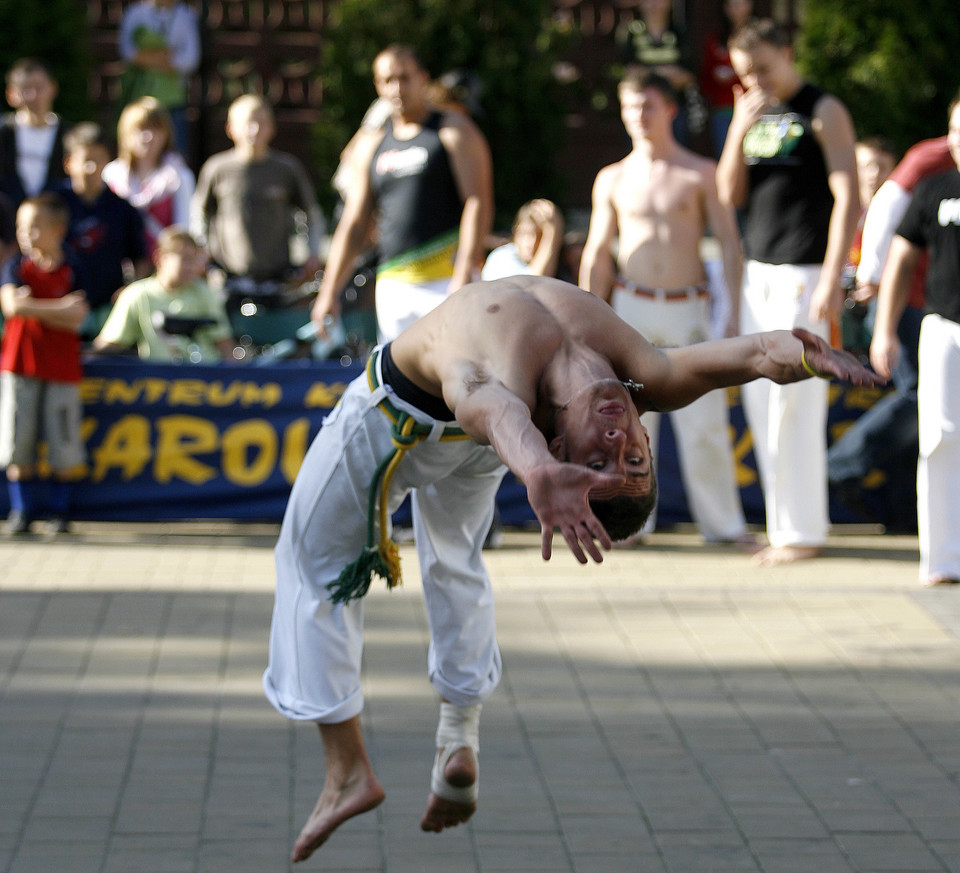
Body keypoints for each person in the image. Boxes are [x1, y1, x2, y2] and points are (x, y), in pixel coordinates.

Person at [263, 275, 881, 864]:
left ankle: (347, 772)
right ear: (646, 432)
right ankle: (459, 736)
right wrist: (799, 353)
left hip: (395, 419)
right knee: (455, 558)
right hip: (490, 448)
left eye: (598, 457)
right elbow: (745, 358)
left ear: (560, 447)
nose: (619, 441)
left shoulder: (504, 392)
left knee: (310, 565)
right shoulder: (645, 379)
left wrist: (536, 471)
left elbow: (494, 408)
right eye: (634, 457)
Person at [579, 70, 749, 545]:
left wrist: (732, 310)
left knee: (705, 424)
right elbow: (597, 249)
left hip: (687, 308)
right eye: (631, 106)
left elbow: (729, 245)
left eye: (647, 106)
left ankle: (724, 526)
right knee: (627, 427)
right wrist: (586, 313)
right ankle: (630, 526)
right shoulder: (611, 177)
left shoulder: (700, 172)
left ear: (670, 110)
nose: (638, 116)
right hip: (630, 308)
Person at [717, 19, 860, 566]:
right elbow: (730, 193)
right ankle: (782, 528)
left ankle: (802, 531)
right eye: (745, 73)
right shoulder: (752, 113)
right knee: (760, 400)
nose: (756, 81)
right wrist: (737, 129)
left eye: (763, 69)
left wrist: (830, 276)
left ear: (787, 52)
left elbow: (847, 196)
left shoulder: (824, 109)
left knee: (794, 404)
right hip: (759, 273)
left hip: (804, 273)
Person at [311, 44, 494, 342]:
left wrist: (463, 273)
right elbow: (355, 222)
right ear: (377, 85)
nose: (397, 88)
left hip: (446, 281)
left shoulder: (454, 131)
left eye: (405, 78)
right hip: (394, 285)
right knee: (399, 384)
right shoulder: (372, 144)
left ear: (423, 78)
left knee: (456, 379)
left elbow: (478, 202)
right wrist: (329, 291)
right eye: (387, 80)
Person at [870, 93, 960, 587]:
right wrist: (884, 330)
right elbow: (900, 260)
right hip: (942, 326)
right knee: (940, 437)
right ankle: (943, 558)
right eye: (956, 129)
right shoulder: (934, 188)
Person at [0, 192, 89, 535]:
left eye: (35, 227)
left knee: (63, 439)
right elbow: (12, 307)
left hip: (62, 368)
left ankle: (59, 513)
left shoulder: (73, 267)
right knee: (18, 439)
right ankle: (22, 513)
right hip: (20, 365)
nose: (26, 234)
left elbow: (78, 315)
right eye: (22, 227)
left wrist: (32, 306)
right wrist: (57, 309)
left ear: (57, 230)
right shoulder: (14, 266)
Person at [191, 94, 324, 287]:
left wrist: (312, 254)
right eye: (247, 123)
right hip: (227, 277)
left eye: (261, 122)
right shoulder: (217, 169)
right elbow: (199, 213)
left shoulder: (287, 169)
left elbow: (311, 214)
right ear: (230, 128)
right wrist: (201, 253)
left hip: (279, 277)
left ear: (272, 128)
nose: (254, 130)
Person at [55, 123, 150, 338]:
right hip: (60, 307)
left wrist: (131, 291)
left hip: (108, 309)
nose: (92, 167)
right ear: (68, 163)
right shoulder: (52, 203)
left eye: (98, 160)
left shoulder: (123, 209)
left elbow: (140, 258)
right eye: (86, 160)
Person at [92, 226, 234, 362]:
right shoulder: (137, 294)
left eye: (195, 260)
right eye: (185, 259)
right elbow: (111, 343)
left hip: (203, 379)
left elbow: (223, 343)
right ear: (160, 258)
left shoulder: (205, 292)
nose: (192, 267)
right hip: (156, 380)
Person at [103, 96, 195, 255]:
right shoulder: (111, 175)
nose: (148, 137)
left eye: (156, 129)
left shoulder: (179, 176)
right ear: (126, 133)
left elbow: (183, 229)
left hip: (160, 268)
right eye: (141, 129)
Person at [117, 0, 201, 156]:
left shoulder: (186, 15)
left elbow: (190, 59)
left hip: (173, 102)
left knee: (176, 152)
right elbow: (127, 52)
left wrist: (151, 59)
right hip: (138, 98)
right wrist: (162, 59)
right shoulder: (135, 13)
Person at [616, 0, 701, 146]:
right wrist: (666, 73)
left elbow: (688, 76)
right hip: (640, 108)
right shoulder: (630, 32)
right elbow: (627, 73)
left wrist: (647, 72)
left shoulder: (679, 32)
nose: (654, 4)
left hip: (675, 110)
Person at [0, 58, 67, 209]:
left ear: (53, 88)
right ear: (11, 94)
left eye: (39, 87)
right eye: (25, 88)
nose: (33, 95)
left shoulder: (68, 136)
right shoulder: (3, 134)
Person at [699, 0, 755, 159]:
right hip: (724, 108)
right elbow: (706, 76)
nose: (737, 8)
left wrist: (737, 73)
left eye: (742, 2)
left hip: (754, 104)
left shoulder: (761, 36)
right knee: (728, 158)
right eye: (732, 4)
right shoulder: (716, 39)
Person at [481, 199, 564, 281]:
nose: (532, 243)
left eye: (540, 236)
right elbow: (533, 282)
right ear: (517, 231)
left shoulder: (559, 261)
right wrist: (552, 233)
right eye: (527, 234)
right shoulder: (501, 258)